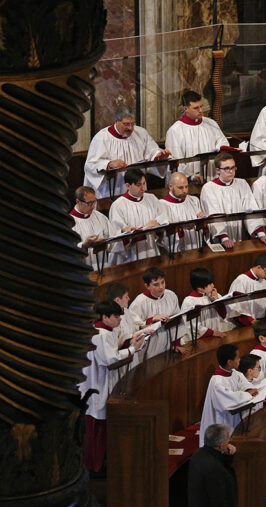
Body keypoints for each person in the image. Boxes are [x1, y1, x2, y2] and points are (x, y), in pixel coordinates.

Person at [80, 301, 146, 472]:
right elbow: (110, 360)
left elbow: (114, 351)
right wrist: (132, 349)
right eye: (116, 317)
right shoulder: (99, 333)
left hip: (103, 383)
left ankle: (100, 464)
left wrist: (129, 344)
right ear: (105, 317)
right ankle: (94, 468)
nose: (119, 320)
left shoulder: (108, 331)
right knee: (96, 431)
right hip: (96, 386)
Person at [83, 107, 168, 198]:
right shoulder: (102, 138)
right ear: (116, 121)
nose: (130, 128)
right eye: (126, 124)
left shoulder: (141, 133)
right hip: (111, 191)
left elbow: (152, 150)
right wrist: (109, 164)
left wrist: (158, 155)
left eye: (132, 124)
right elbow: (91, 165)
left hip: (137, 188)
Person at [201, 152, 266, 247]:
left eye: (233, 167)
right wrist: (224, 238)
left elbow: (251, 208)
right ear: (217, 170)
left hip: (241, 237)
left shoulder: (242, 184)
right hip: (220, 241)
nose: (231, 171)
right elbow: (213, 214)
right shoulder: (209, 188)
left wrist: (261, 234)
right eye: (226, 168)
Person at [165, 90, 229, 183]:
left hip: (213, 175)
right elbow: (176, 160)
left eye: (201, 106)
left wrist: (218, 149)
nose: (201, 110)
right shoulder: (175, 130)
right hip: (189, 182)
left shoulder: (211, 123)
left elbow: (223, 142)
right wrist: (192, 177)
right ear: (185, 108)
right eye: (196, 108)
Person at [198, 344, 258, 443]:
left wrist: (248, 389)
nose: (240, 360)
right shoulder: (217, 382)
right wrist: (248, 394)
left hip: (233, 419)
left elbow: (243, 383)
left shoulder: (233, 372)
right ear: (229, 362)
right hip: (222, 421)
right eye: (238, 358)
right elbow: (229, 400)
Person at [108, 169, 164, 261]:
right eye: (138, 185)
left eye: (144, 183)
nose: (143, 188)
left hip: (151, 248)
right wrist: (126, 232)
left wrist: (158, 224)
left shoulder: (152, 198)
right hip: (131, 254)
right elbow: (115, 234)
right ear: (128, 186)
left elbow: (162, 218)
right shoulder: (118, 205)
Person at [129, 266, 183, 357]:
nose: (161, 287)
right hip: (149, 348)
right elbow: (132, 327)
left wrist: (176, 344)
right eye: (156, 284)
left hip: (168, 344)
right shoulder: (139, 303)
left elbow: (177, 320)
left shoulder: (171, 295)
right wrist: (151, 320)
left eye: (163, 282)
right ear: (147, 286)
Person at [179, 267, 232, 346]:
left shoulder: (215, 295)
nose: (213, 285)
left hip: (216, 335)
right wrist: (212, 333)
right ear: (200, 288)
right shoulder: (189, 302)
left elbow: (224, 315)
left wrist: (217, 301)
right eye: (210, 284)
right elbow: (192, 326)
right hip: (200, 340)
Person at [70, 186, 118, 266]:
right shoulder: (70, 222)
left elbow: (112, 241)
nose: (93, 206)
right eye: (89, 203)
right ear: (78, 202)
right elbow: (69, 249)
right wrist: (84, 244)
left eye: (94, 202)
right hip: (82, 270)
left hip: (103, 267)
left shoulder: (100, 217)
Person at [159, 172, 207, 251]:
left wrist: (202, 221)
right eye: (180, 188)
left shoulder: (193, 200)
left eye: (186, 187)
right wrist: (181, 227)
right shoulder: (162, 205)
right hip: (177, 251)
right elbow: (164, 234)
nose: (185, 191)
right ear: (171, 187)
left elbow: (202, 228)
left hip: (197, 247)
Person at [227, 253, 266, 325]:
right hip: (243, 323)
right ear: (259, 267)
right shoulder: (241, 280)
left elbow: (261, 306)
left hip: (257, 323)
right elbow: (234, 307)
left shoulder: (263, 281)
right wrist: (251, 321)